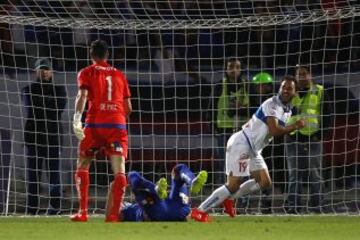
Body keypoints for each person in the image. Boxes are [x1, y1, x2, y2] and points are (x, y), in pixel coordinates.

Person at [191, 75, 305, 222]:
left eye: (289, 88)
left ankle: (229, 199)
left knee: (265, 182)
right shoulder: (272, 104)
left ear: (295, 92)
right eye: (283, 87)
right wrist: (295, 126)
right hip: (242, 143)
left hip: (253, 149)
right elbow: (275, 131)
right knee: (232, 185)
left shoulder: (287, 110)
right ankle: (199, 210)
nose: (285, 90)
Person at [70, 40, 132, 222]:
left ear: (91, 55)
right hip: (117, 126)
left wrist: (76, 119)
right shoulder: (120, 75)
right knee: (119, 171)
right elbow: (129, 107)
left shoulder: (87, 72)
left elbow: (82, 95)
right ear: (108, 55)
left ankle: (82, 213)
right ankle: (113, 215)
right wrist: (117, 117)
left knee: (83, 164)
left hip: (95, 125)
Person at [285, 65, 332, 214]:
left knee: (315, 174)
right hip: (293, 138)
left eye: (305, 74)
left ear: (310, 75)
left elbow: (327, 114)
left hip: (313, 138)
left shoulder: (320, 90)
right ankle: (293, 207)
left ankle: (318, 206)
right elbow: (281, 113)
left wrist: (320, 135)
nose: (302, 77)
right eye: (299, 75)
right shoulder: (289, 91)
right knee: (294, 175)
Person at [22, 58, 67, 215]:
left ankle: (54, 208)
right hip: (33, 138)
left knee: (54, 176)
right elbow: (34, 109)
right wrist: (48, 104)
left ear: (51, 71)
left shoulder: (60, 90)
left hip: (53, 138)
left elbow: (58, 109)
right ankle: (31, 210)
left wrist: (44, 104)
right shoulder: (28, 89)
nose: (44, 71)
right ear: (36, 71)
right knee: (33, 176)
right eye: (41, 69)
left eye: (46, 69)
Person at [113, 164, 207, 222]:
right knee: (131, 174)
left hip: (165, 209)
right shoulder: (127, 211)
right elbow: (117, 214)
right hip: (175, 210)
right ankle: (191, 181)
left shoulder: (129, 209)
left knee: (176, 170)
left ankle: (192, 182)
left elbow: (116, 214)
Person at [208, 58, 249, 184]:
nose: (234, 70)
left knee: (242, 163)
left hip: (243, 131)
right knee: (224, 163)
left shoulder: (247, 85)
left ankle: (242, 196)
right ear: (226, 69)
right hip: (223, 131)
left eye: (237, 67)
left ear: (241, 69)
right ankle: (224, 195)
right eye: (231, 67)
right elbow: (211, 108)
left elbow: (254, 107)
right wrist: (212, 127)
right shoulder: (219, 85)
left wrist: (240, 108)